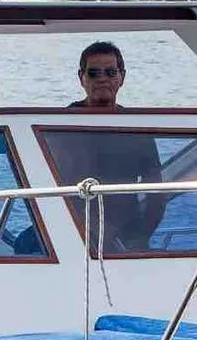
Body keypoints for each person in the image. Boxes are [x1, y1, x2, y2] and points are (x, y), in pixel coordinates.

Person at [56, 42, 167, 251]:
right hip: (70, 230)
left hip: (126, 234)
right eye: (94, 73)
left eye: (110, 72)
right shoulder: (59, 127)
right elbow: (54, 186)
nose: (102, 79)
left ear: (121, 77)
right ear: (81, 77)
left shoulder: (136, 131)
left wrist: (138, 236)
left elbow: (156, 196)